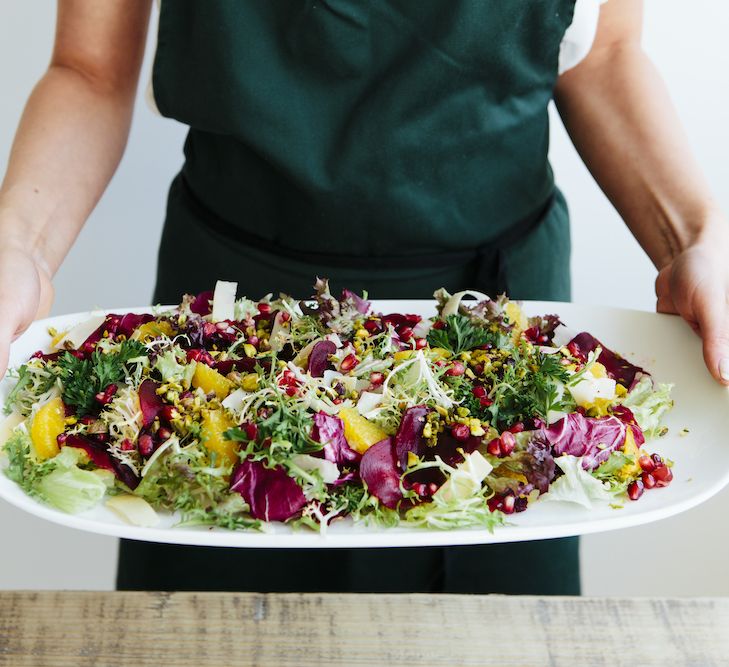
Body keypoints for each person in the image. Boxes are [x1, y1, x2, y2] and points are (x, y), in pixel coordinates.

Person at [0, 0, 727, 594]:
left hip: (494, 330)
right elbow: (88, 69)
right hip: (221, 327)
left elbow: (602, 51)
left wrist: (695, 235)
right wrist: (17, 248)